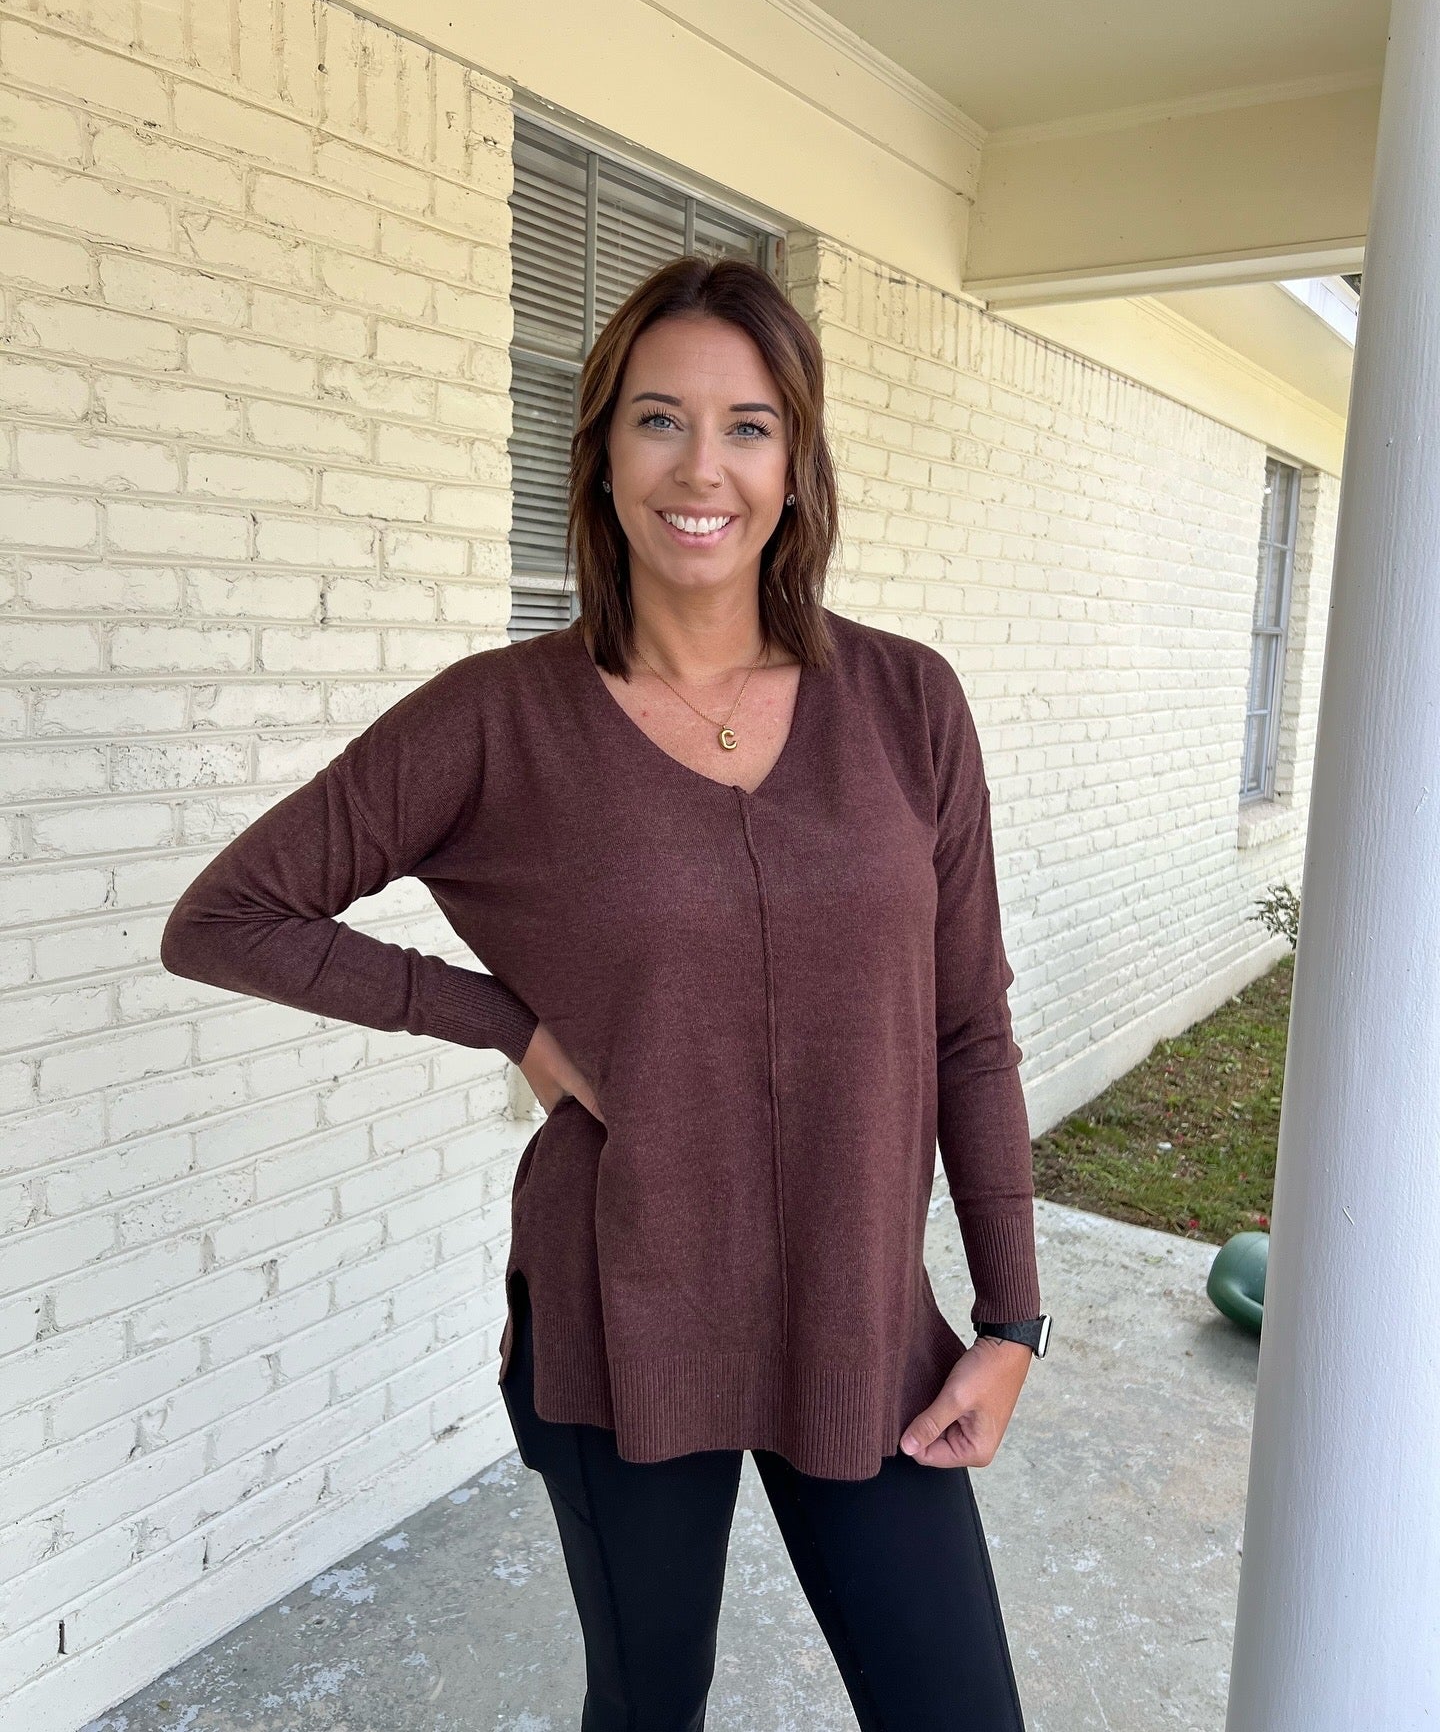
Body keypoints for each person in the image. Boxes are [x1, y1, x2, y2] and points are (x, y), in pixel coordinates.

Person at [160, 253, 1051, 1731]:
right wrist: (506, 1024)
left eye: (748, 426)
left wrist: (1013, 1321)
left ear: (795, 463)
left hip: (860, 1320)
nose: (703, 468)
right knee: (647, 1708)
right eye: (659, 420)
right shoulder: (499, 720)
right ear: (603, 454)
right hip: (620, 1321)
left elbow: (970, 1026)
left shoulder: (908, 703)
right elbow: (227, 917)